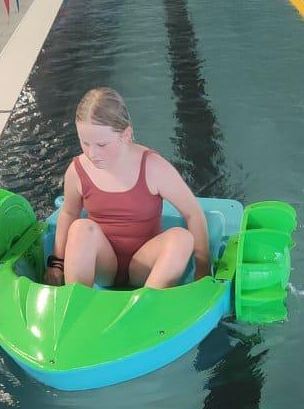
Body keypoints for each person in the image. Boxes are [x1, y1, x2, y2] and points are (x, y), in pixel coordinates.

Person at [45, 87, 210, 289]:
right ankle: (77, 299)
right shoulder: (77, 171)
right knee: (80, 228)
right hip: (104, 266)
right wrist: (57, 263)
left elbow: (193, 213)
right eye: (85, 142)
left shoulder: (153, 168)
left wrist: (203, 269)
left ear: (126, 134)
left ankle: (147, 302)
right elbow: (69, 213)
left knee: (182, 238)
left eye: (101, 145)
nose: (92, 153)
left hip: (144, 266)